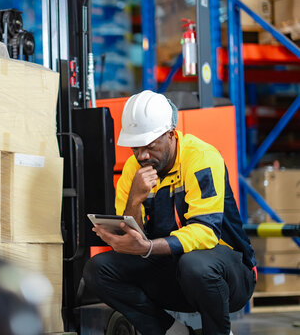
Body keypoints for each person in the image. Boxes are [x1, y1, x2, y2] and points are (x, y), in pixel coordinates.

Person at [83, 90, 257, 335]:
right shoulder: (134, 170)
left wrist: (148, 248)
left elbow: (205, 233)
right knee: (97, 270)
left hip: (226, 276)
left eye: (150, 147)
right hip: (173, 273)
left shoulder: (201, 158)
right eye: (136, 148)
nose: (143, 156)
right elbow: (136, 238)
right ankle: (173, 332)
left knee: (195, 263)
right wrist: (135, 199)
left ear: (171, 134)